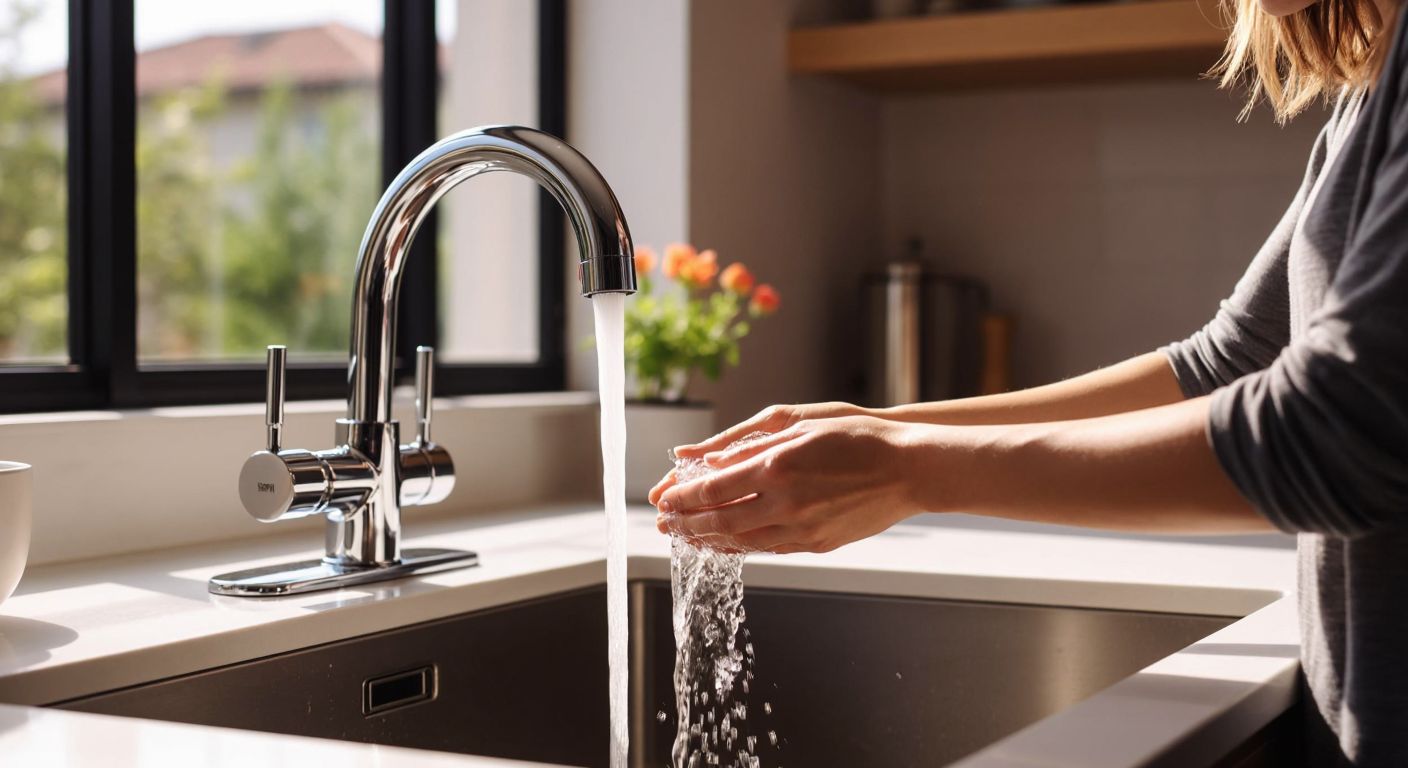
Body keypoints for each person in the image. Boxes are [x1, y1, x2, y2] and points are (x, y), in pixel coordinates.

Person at [648, 0, 1408, 763]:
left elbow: (1337, 433)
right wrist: (880, 430)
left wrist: (908, 468)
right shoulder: (1369, 90)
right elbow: (1228, 362)